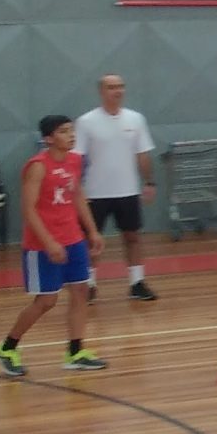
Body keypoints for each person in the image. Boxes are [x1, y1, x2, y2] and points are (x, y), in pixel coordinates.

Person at [0, 115, 108, 377]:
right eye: (63, 131)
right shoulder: (37, 166)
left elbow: (77, 195)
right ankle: (7, 348)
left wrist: (92, 230)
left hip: (73, 238)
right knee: (46, 301)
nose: (71, 135)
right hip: (42, 245)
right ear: (48, 138)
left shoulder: (75, 161)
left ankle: (75, 352)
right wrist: (49, 242)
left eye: (71, 130)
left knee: (81, 291)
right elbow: (28, 209)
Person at [76, 73, 160, 304]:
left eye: (121, 86)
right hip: (95, 193)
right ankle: (89, 284)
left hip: (128, 192)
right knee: (92, 240)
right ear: (101, 91)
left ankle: (137, 283)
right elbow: (77, 158)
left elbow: (143, 153)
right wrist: (78, 190)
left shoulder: (136, 119)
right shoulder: (86, 122)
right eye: (112, 87)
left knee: (132, 236)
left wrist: (149, 182)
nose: (118, 91)